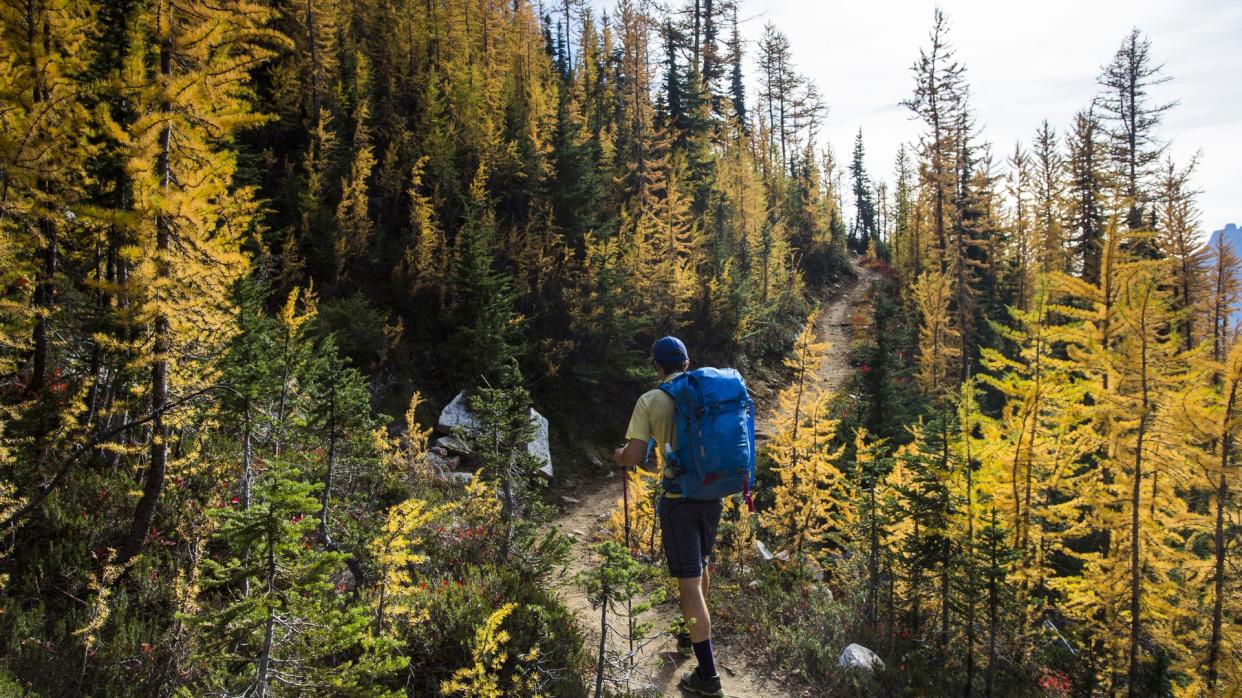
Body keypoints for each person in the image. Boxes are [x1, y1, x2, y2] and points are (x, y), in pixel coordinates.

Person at [613, 336, 725, 698]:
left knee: (688, 581)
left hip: (679, 500)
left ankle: (708, 676)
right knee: (701, 565)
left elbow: (634, 455)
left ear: (657, 367)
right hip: (713, 495)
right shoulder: (707, 392)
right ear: (688, 362)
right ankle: (687, 635)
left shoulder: (651, 400)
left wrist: (618, 456)